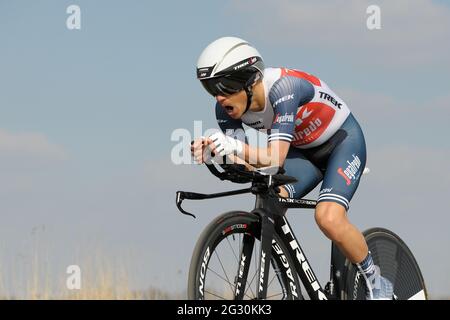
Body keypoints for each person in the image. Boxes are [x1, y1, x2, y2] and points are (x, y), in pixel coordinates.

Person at [191, 36, 393, 300]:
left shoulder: (284, 89)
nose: (219, 96)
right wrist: (217, 154)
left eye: (226, 85)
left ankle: (378, 283)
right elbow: (250, 165)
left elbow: (274, 157)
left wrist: (233, 146)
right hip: (302, 153)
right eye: (211, 89)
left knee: (328, 218)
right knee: (272, 203)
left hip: (342, 142)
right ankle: (291, 287)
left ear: (252, 80)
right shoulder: (225, 111)